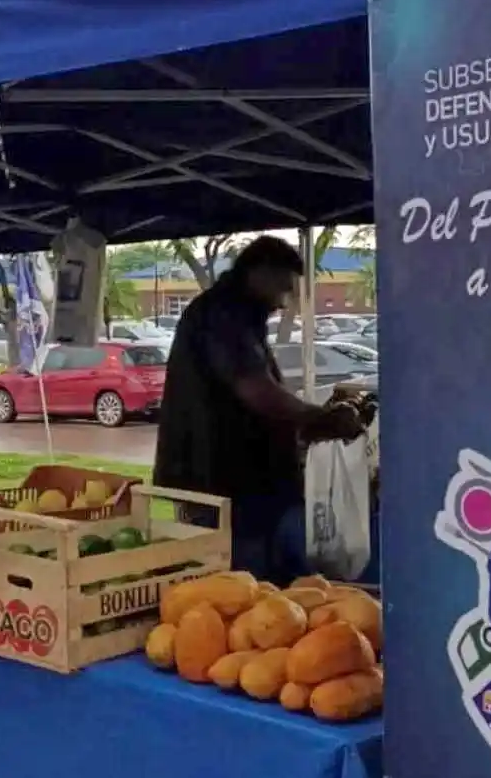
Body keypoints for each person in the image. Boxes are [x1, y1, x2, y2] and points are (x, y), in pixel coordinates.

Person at [153, 236, 363, 582]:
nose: (282, 302)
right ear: (259, 273)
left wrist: (303, 425)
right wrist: (320, 417)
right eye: (282, 288)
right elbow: (256, 390)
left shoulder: (236, 314)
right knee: (249, 591)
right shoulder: (224, 314)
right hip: (223, 483)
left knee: (271, 593)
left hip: (242, 481)